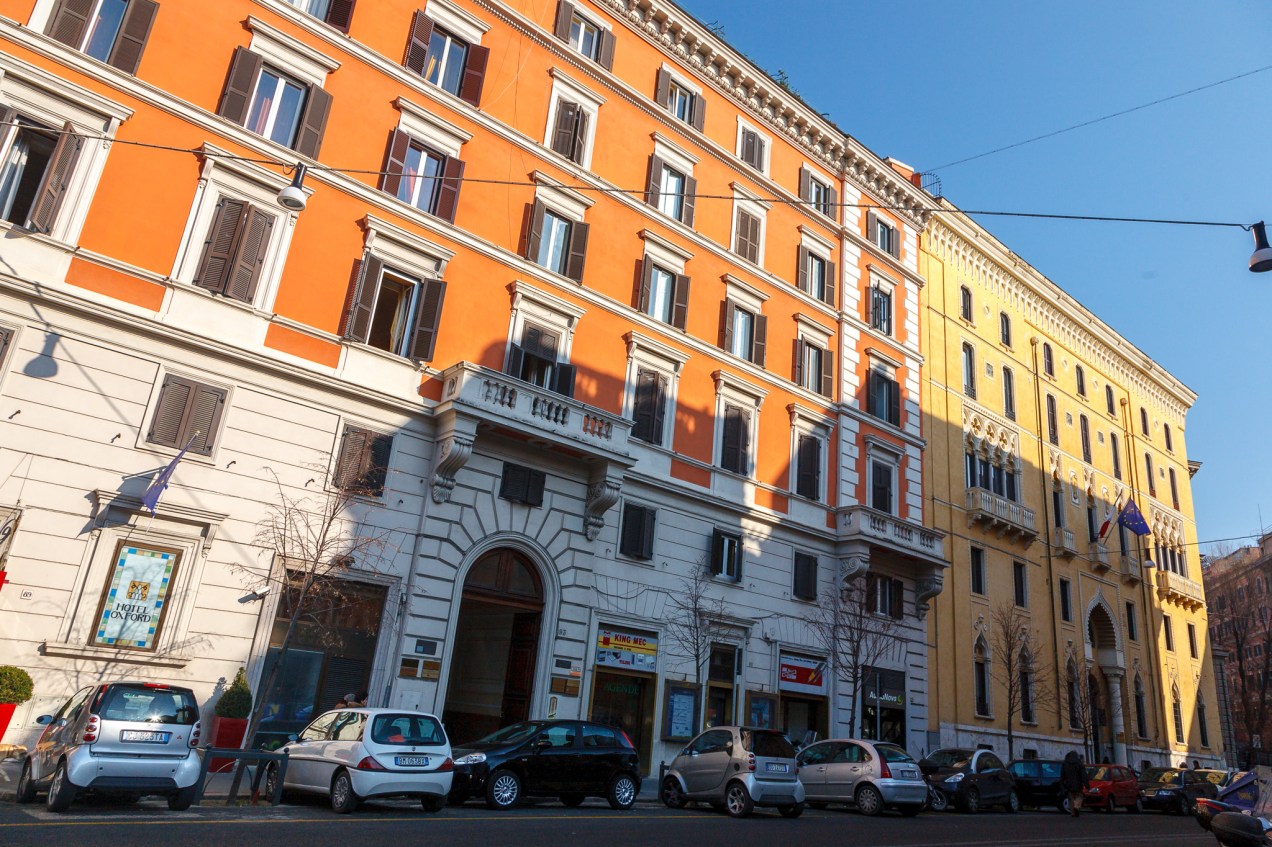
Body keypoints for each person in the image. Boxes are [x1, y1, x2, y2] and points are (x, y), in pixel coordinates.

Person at [1061, 750, 1090, 817]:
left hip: (1069, 784)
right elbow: (1083, 775)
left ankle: (1073, 813)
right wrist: (1086, 784)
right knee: (1079, 796)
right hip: (1078, 784)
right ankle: (1076, 807)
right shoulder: (1079, 763)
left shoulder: (1065, 764)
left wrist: (1062, 785)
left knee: (1071, 798)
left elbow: (1062, 775)